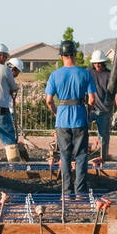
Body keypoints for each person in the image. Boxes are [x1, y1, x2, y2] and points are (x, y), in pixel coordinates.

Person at [45, 40, 95, 196]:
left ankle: (67, 192)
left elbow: (48, 100)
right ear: (75, 54)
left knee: (65, 156)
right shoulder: (85, 74)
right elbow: (92, 99)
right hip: (80, 117)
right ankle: (80, 192)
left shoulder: (55, 75)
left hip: (62, 119)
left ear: (61, 56)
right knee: (81, 156)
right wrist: (87, 113)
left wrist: (56, 112)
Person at [88, 50, 117, 160]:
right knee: (82, 131)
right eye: (95, 63)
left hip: (104, 110)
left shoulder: (109, 75)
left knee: (104, 136)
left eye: (99, 63)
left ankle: (103, 157)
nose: (97, 65)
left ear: (103, 63)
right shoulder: (89, 72)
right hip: (90, 109)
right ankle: (84, 155)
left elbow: (115, 93)